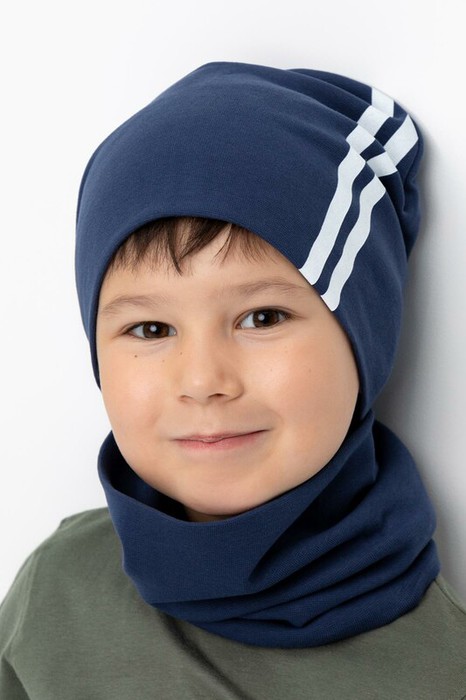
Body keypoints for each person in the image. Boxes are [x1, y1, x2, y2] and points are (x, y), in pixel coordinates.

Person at [0, 61, 465, 699]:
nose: (202, 381)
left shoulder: (443, 669)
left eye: (261, 318)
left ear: (367, 335)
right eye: (151, 329)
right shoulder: (55, 593)